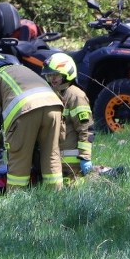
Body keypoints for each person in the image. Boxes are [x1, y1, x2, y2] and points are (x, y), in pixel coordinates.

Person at [0, 51, 64, 190]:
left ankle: (16, 200)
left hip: (26, 112)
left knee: (19, 158)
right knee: (51, 155)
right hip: (54, 107)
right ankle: (56, 195)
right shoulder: (22, 69)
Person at [42, 53, 94, 183]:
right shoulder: (53, 94)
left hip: (73, 163)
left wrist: (85, 157)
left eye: (56, 75)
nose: (52, 79)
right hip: (56, 160)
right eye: (49, 75)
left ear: (67, 74)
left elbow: (86, 129)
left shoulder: (76, 96)